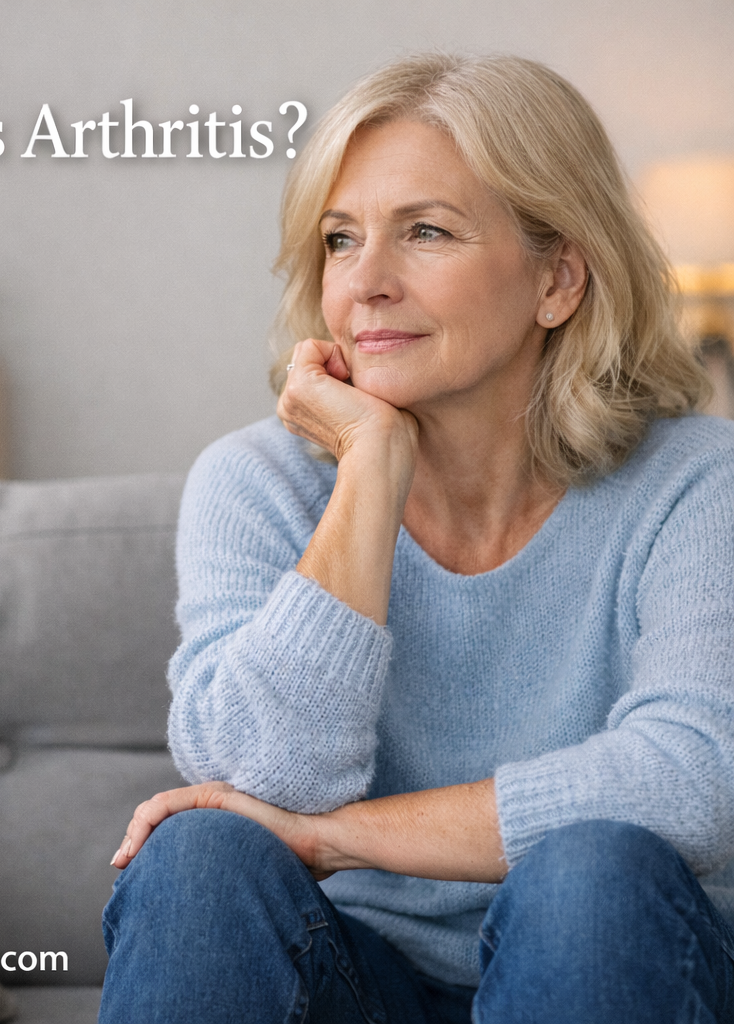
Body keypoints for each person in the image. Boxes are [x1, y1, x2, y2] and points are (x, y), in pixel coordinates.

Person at [98, 53, 734, 1023]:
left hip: (612, 961)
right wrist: (370, 471)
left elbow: (690, 781)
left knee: (588, 871)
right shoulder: (256, 480)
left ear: (557, 278)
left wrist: (340, 838)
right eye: (341, 239)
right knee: (198, 858)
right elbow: (261, 781)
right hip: (358, 978)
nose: (366, 283)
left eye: (425, 232)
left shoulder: (698, 480)